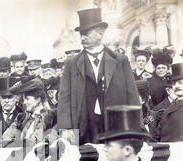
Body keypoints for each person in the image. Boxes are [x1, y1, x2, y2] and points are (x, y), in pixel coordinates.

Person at [57, 8, 140, 145]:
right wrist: (65, 129)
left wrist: (136, 126)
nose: (82, 38)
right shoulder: (71, 64)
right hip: (83, 126)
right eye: (81, 34)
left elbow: (132, 96)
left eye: (86, 33)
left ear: (100, 33)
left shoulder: (120, 61)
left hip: (115, 123)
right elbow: (64, 99)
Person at [2, 77, 56, 147]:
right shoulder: (21, 117)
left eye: (27, 99)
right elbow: (5, 138)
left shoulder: (50, 117)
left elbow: (38, 143)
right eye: (23, 99)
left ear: (38, 98)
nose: (24, 102)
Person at [158, 63, 183, 142]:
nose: (176, 86)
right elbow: (158, 134)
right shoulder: (168, 108)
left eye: (180, 82)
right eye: (174, 83)